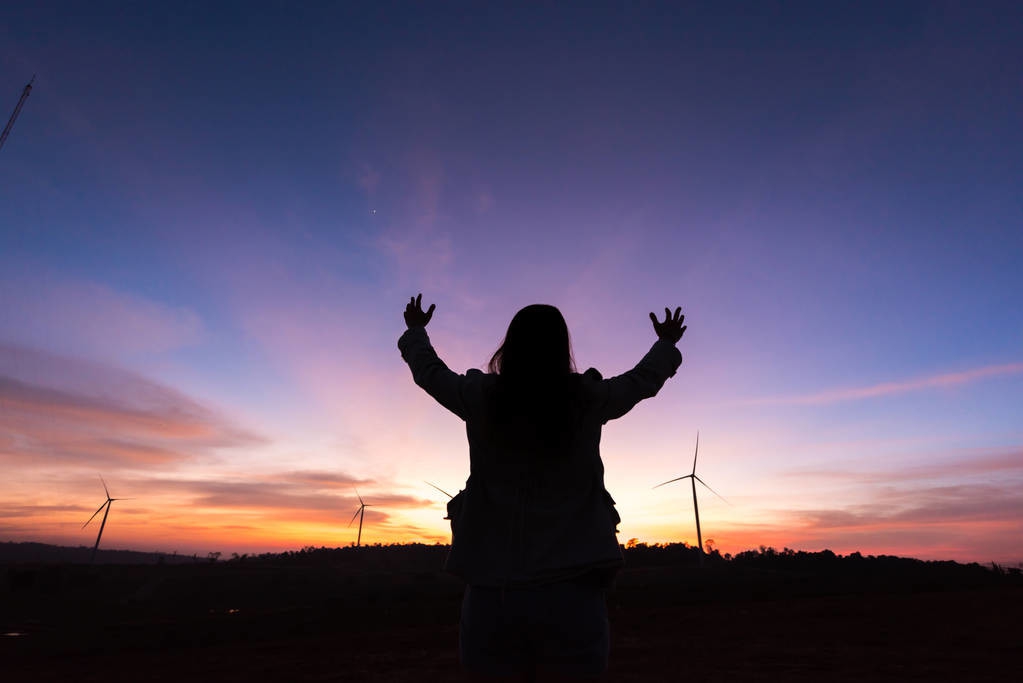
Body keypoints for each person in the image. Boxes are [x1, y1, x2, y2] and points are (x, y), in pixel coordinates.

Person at [398, 294, 685, 681]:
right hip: (574, 594)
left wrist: (416, 332)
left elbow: (429, 373)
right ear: (561, 347)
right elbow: (639, 382)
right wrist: (666, 345)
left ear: (509, 345)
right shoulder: (587, 399)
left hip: (492, 592)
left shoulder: (480, 397)